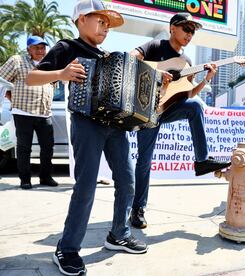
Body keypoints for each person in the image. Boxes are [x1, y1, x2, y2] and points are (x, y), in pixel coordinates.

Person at [26, 1, 147, 275]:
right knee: (86, 187)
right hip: (86, 123)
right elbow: (31, 77)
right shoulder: (67, 47)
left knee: (127, 180)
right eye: (100, 21)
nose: (105, 27)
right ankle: (67, 249)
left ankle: (118, 234)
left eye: (108, 24)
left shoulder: (106, 55)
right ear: (81, 19)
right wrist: (61, 73)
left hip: (115, 126)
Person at [129, 12, 230, 229]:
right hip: (147, 111)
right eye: (186, 29)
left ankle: (202, 160)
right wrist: (156, 75)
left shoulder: (187, 62)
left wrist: (206, 80)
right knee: (144, 162)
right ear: (172, 28)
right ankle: (137, 209)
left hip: (168, 109)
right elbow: (130, 58)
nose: (189, 34)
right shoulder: (155, 46)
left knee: (194, 106)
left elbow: (189, 93)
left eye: (192, 32)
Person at [0, 35, 57, 189]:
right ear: (28, 49)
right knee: (24, 148)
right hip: (23, 113)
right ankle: (25, 179)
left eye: (43, 47)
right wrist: (11, 98)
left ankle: (45, 177)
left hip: (45, 113)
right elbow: (1, 80)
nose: (41, 50)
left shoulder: (49, 64)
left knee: (48, 148)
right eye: (37, 47)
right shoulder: (17, 61)